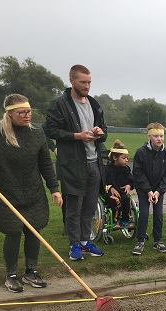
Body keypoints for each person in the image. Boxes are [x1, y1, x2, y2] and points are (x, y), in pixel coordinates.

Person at [0, 94, 62, 292]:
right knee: (13, 232)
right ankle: (11, 275)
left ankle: (31, 272)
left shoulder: (37, 133)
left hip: (33, 193)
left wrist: (54, 189)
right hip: (6, 195)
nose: (27, 116)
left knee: (34, 230)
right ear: (9, 114)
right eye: (22, 112)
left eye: (29, 111)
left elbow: (45, 164)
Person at [44, 64, 107, 261]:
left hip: (94, 163)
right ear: (71, 80)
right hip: (73, 165)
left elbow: (104, 131)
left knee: (89, 206)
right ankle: (74, 246)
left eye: (89, 82)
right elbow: (51, 130)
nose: (87, 86)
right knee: (74, 208)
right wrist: (77, 136)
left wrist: (100, 132)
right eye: (83, 82)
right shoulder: (60, 104)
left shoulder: (94, 104)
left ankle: (84, 242)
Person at [132, 123, 166, 255]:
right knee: (144, 213)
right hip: (144, 189)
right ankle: (140, 241)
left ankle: (158, 241)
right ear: (149, 136)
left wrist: (158, 191)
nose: (159, 139)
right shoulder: (141, 153)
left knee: (158, 214)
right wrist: (148, 191)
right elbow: (138, 173)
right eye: (156, 136)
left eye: (161, 136)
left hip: (158, 190)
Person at [104, 139, 134, 230]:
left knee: (127, 199)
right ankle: (114, 221)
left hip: (121, 192)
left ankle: (125, 220)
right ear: (115, 158)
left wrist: (129, 185)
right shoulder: (107, 170)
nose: (126, 160)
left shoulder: (126, 169)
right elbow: (102, 182)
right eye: (123, 158)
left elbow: (131, 179)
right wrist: (110, 188)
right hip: (109, 193)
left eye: (127, 158)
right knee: (115, 201)